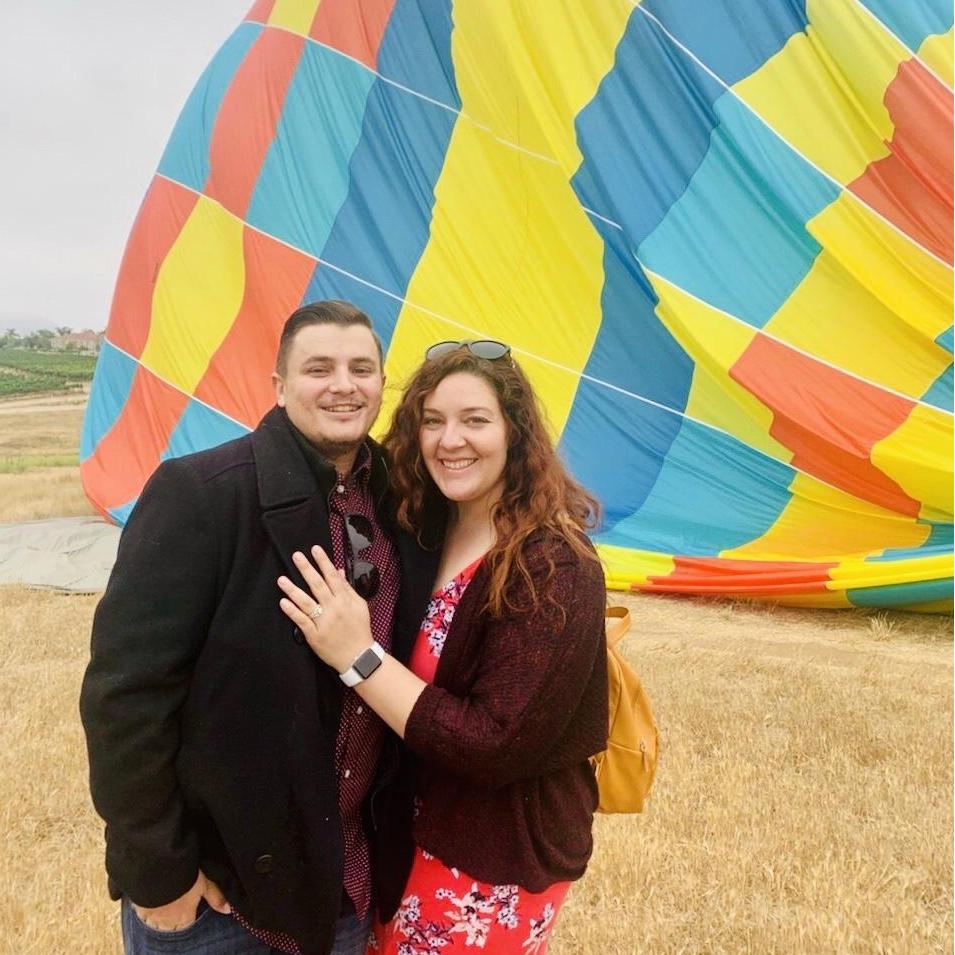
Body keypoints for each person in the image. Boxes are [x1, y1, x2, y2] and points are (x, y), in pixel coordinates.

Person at [80, 301, 440, 955]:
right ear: (278, 385)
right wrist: (159, 876)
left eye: (361, 368)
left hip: (346, 887)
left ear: (381, 384)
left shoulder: (404, 502)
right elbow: (125, 698)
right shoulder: (203, 493)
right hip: (221, 903)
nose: (343, 385)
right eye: (318, 368)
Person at [277, 339, 609, 954]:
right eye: (433, 421)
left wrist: (358, 656)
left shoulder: (553, 564)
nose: (450, 440)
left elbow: (495, 742)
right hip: (400, 840)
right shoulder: (424, 529)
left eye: (475, 420)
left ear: (515, 432)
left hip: (492, 858)